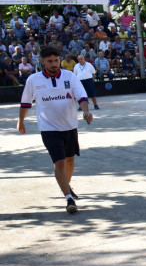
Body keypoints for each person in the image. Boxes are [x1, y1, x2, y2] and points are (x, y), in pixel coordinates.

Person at [18, 45, 94, 213]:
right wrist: (20, 121)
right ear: (42, 62)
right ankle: (68, 198)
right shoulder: (33, 80)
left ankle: (66, 185)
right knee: (58, 162)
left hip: (70, 127)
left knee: (69, 160)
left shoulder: (69, 76)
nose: (54, 64)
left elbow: (81, 96)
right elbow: (25, 103)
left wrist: (86, 111)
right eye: (50, 61)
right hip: (48, 129)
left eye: (56, 60)